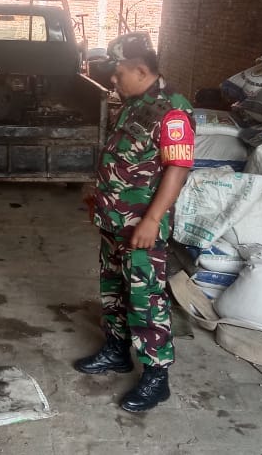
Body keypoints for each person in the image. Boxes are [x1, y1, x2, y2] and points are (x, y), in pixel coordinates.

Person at [75, 32, 195, 413]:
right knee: (113, 289)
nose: (113, 79)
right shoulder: (134, 103)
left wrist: (153, 219)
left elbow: (178, 167)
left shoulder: (172, 111)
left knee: (145, 298)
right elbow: (125, 158)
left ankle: (156, 376)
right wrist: (100, 194)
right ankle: (116, 350)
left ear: (141, 70)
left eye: (118, 71)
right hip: (115, 221)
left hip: (142, 227)